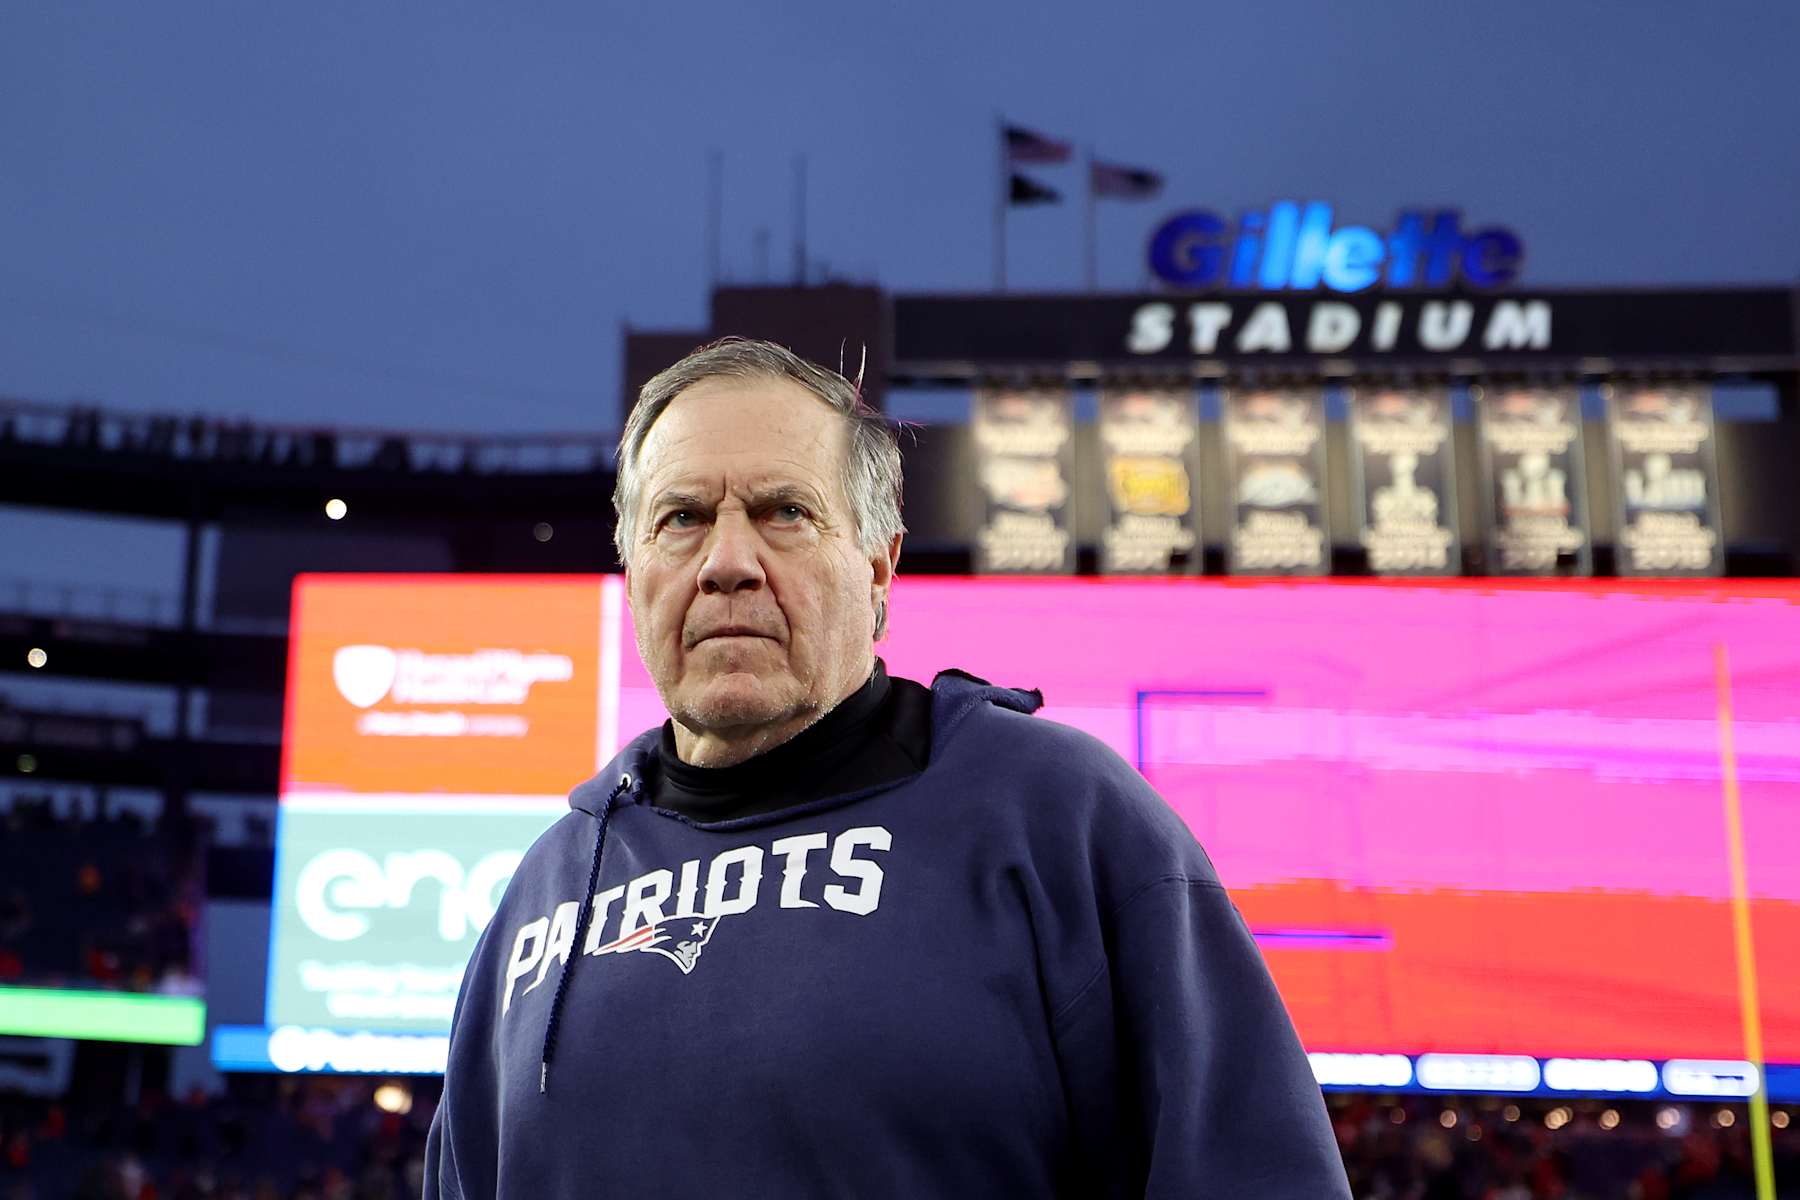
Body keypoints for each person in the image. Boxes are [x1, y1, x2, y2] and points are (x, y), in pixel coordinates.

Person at [423, 338, 1350, 1198]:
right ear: (633, 567)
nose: (728, 562)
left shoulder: (1062, 818)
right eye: (683, 518)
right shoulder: (545, 891)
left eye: (785, 513)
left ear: (880, 564)